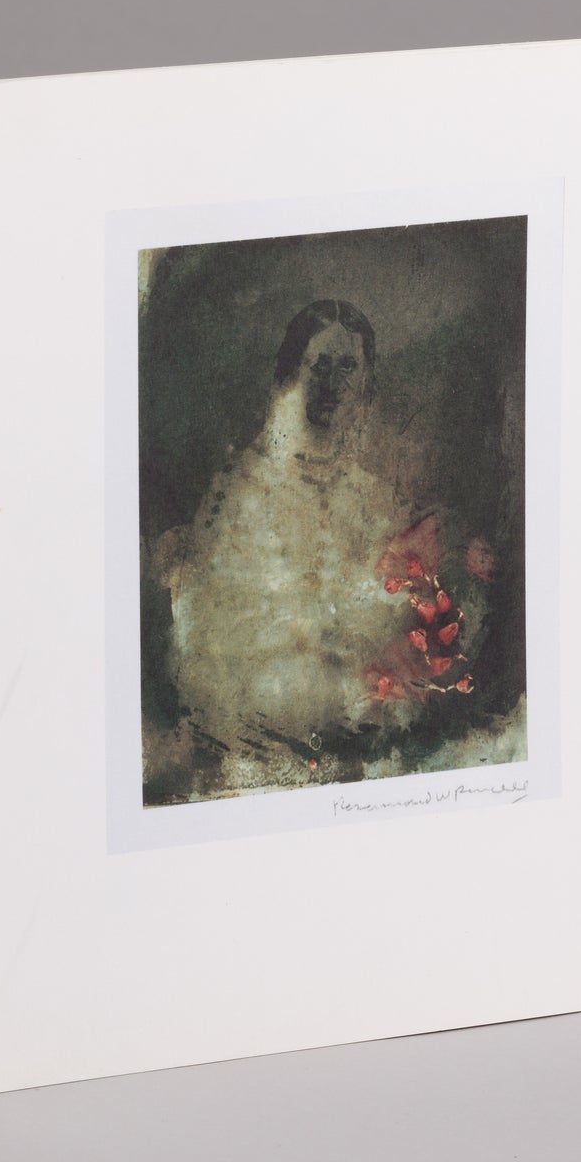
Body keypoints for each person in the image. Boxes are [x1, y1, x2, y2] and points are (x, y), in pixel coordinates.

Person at [157, 300, 423, 793]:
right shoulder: (242, 489)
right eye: (318, 364)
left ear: (366, 381)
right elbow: (213, 634)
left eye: (348, 367)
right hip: (262, 734)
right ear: (290, 372)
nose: (332, 383)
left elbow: (395, 616)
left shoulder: (376, 499)